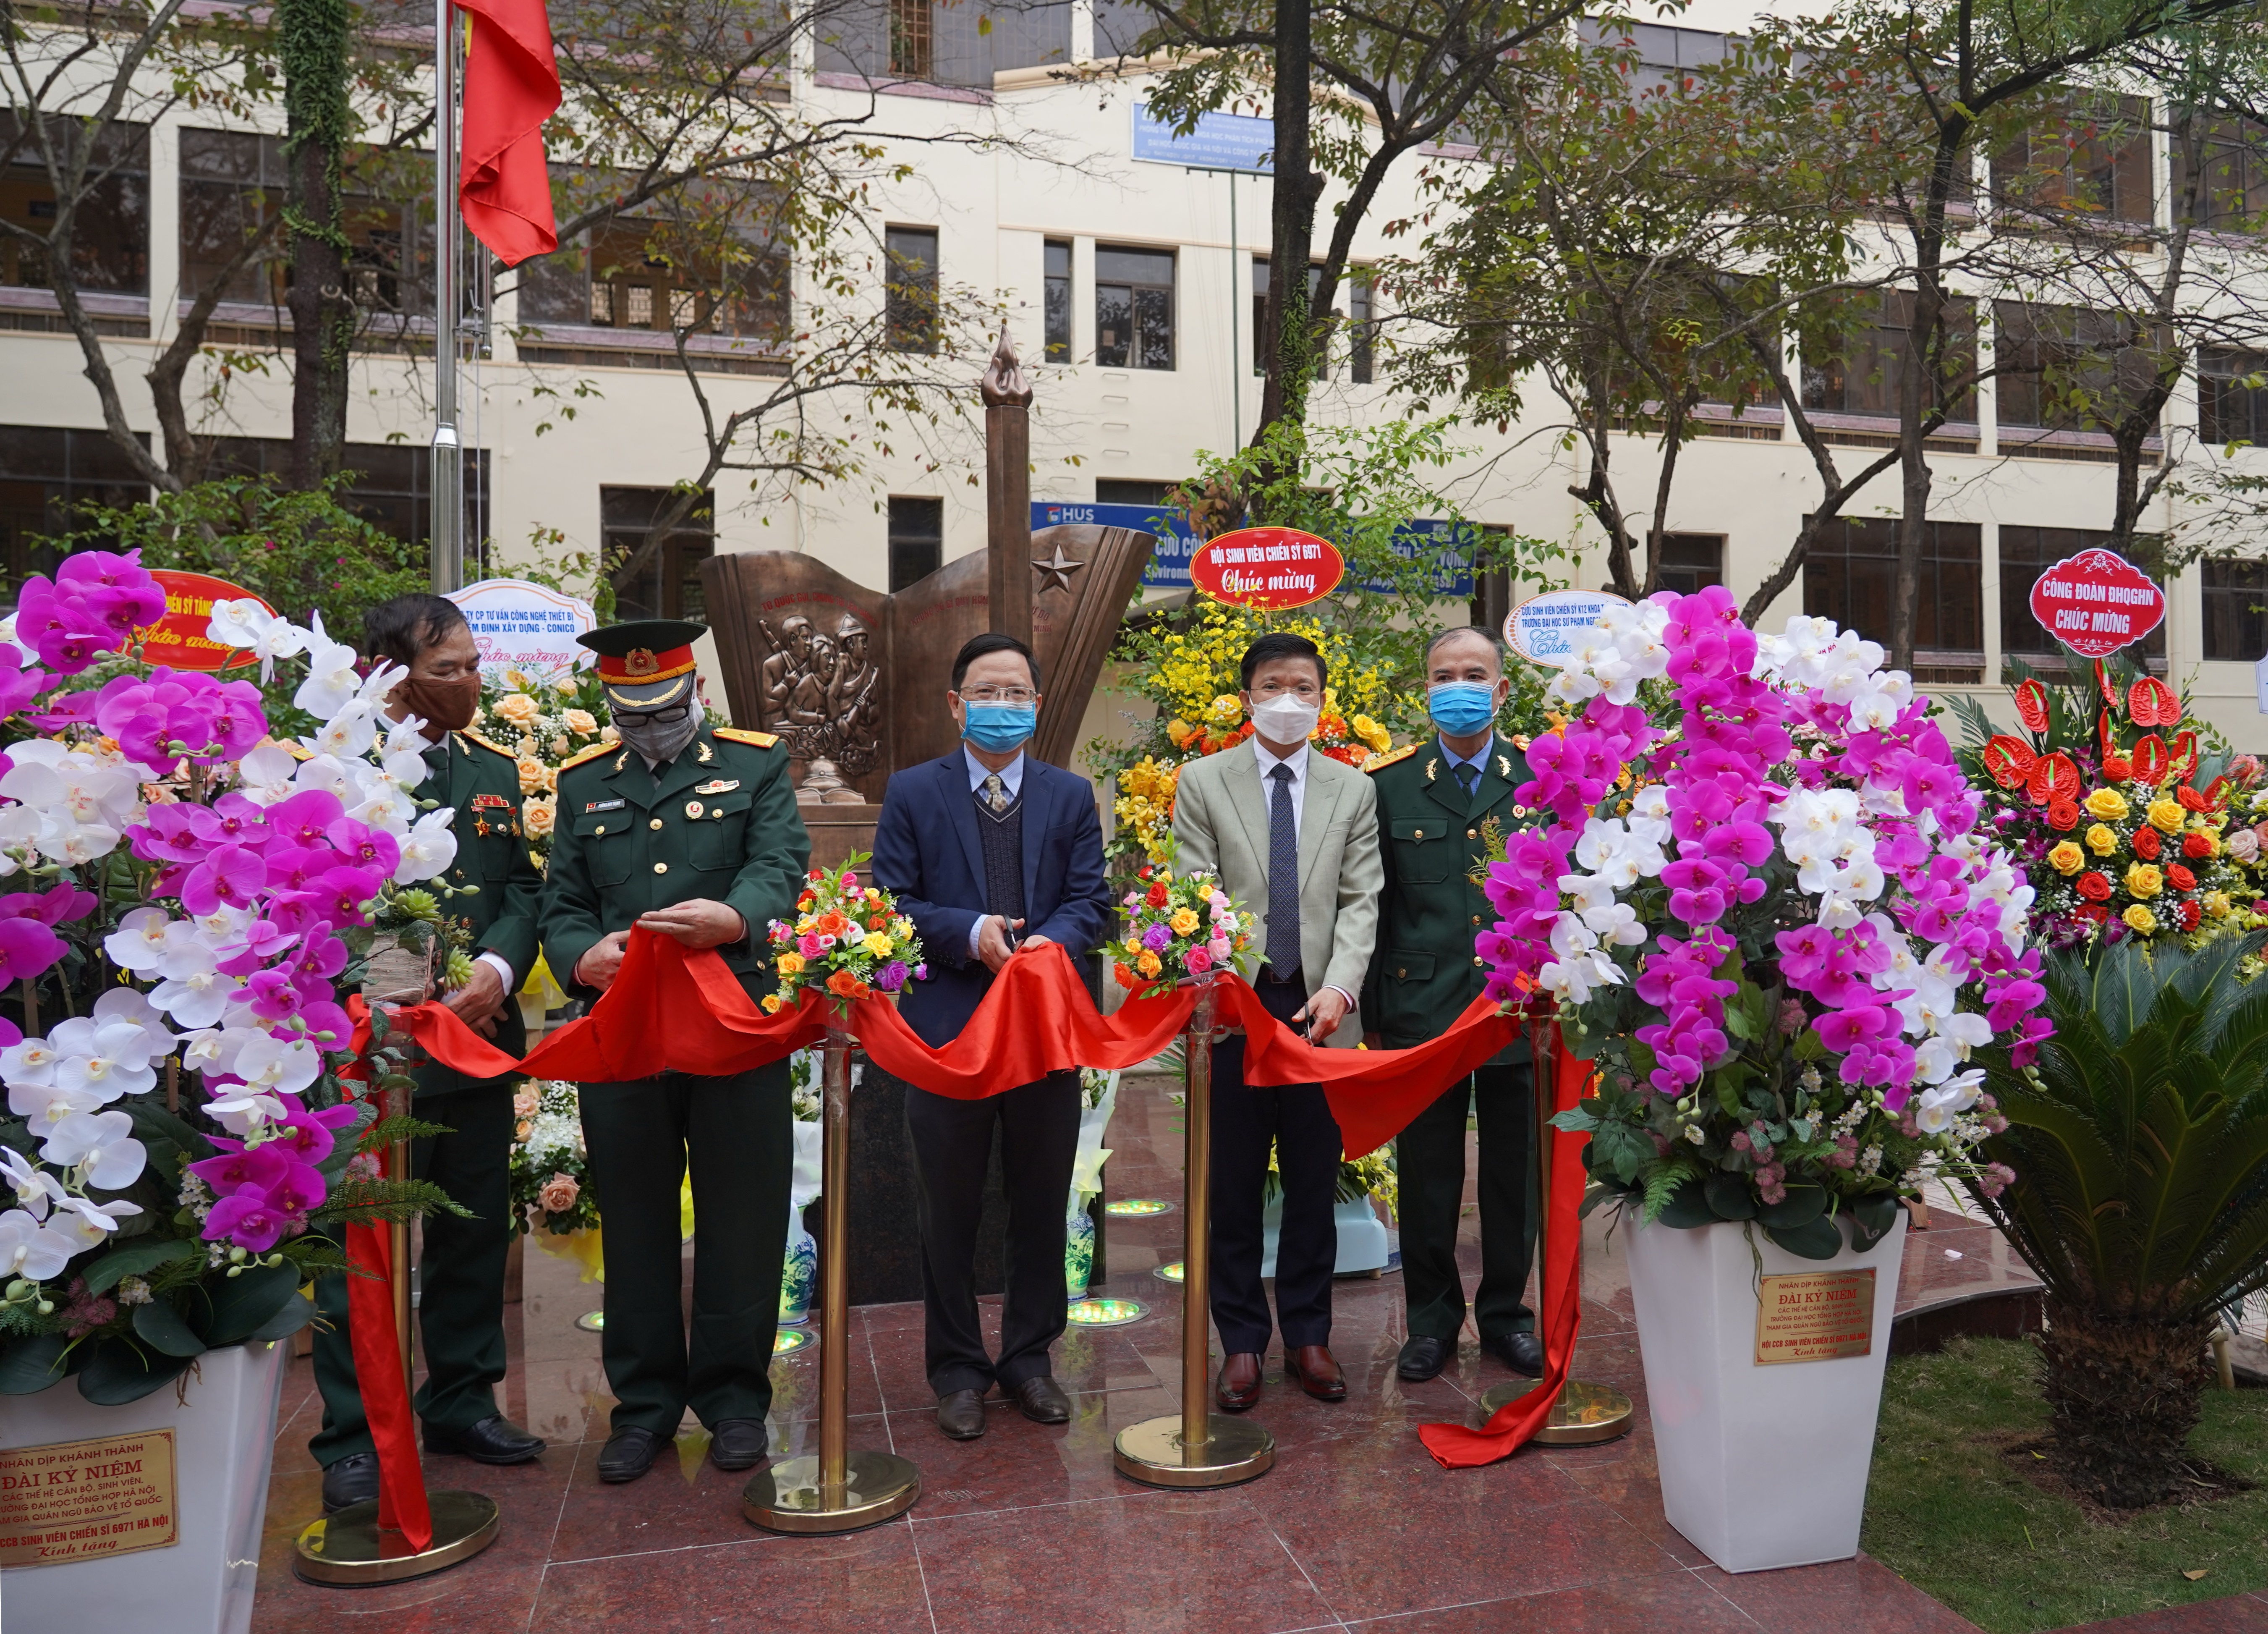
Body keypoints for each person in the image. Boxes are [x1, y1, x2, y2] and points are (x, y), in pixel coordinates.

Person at [539, 618, 811, 1484]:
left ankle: (735, 1398)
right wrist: (578, 954)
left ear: (696, 691)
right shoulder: (584, 785)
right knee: (636, 1219)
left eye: (664, 710)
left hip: (731, 1024)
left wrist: (733, 918)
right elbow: (562, 901)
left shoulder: (753, 762)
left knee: (743, 1214)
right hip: (626, 1031)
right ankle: (645, 1404)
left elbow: (781, 868)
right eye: (632, 714)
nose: (651, 729)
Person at [310, 594, 548, 1513]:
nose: (472, 683)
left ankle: (459, 1398)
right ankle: (352, 1430)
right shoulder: (335, 767)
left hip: (476, 1040)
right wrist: (384, 986)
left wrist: (495, 968)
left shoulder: (490, 770)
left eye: (474, 664)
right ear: (390, 671)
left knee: (472, 1227)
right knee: (361, 1242)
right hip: (368, 1048)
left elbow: (523, 891)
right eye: (450, 669)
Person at [871, 632, 1114, 1440]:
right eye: (987, 692)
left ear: (1038, 706)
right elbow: (893, 904)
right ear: (956, 703)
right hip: (945, 1032)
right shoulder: (912, 792)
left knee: (1042, 1201)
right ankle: (958, 1370)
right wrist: (969, 931)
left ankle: (1029, 1361)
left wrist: (1054, 942)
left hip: (1043, 1031)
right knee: (948, 1208)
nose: (1002, 707)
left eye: (1017, 694)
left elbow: (1093, 902)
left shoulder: (1070, 796)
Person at [1169, 631, 1381, 1411]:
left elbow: (1362, 900)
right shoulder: (1203, 781)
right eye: (1271, 685)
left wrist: (1342, 989)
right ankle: (1243, 1342)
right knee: (1229, 1185)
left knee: (1312, 1182)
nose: (1287, 699)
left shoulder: (1352, 789)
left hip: (1322, 1021)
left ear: (1322, 701)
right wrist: (1227, 988)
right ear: (1248, 695)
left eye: (1302, 686)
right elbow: (1193, 893)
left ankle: (1308, 1334)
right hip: (1232, 1020)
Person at [1362, 626, 1543, 1384]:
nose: (1458, 687)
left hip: (1518, 1011)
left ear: (1501, 691)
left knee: (1515, 1172)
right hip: (1424, 1010)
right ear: (1425, 690)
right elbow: (1371, 906)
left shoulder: (1541, 776)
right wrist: (1374, 1020)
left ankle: (1506, 1317)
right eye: (1443, 675)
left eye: (1474, 674)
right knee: (1427, 1172)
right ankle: (1431, 1323)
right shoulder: (1388, 785)